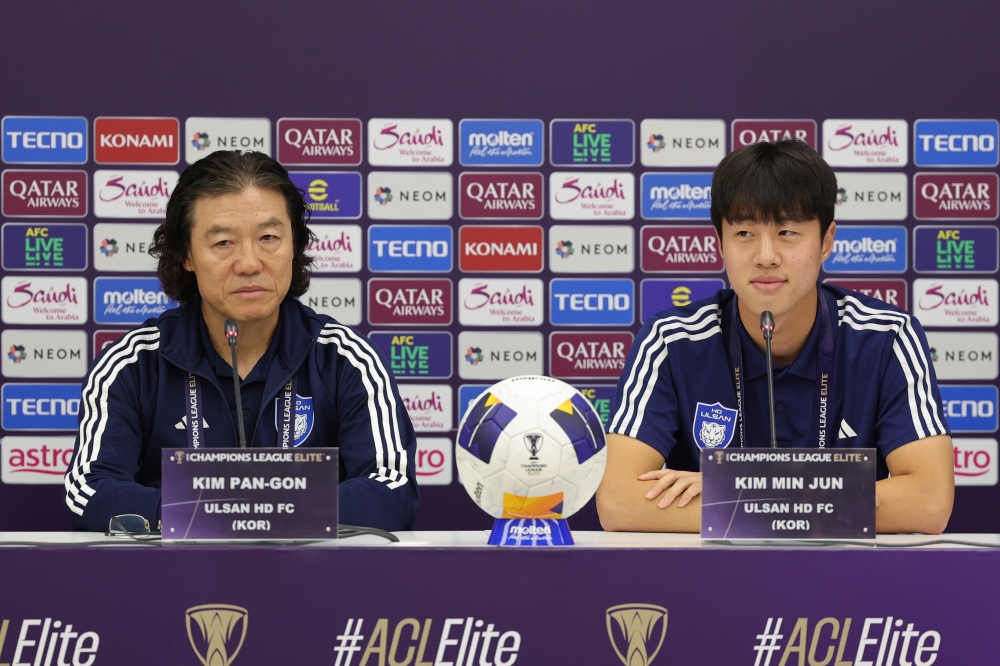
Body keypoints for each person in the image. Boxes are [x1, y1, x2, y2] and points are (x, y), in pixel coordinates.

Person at [596, 140, 953, 534]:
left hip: (847, 582)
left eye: (787, 231)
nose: (766, 255)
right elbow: (619, 502)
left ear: (827, 242)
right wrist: (826, 498)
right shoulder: (670, 340)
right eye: (745, 232)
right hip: (712, 585)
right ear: (720, 244)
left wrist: (732, 492)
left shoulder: (887, 337)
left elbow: (928, 501)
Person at [64, 151, 419, 532]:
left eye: (268, 237)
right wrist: (224, 513)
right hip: (172, 585)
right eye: (223, 243)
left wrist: (257, 511)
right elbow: (89, 491)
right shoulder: (133, 364)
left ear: (295, 246)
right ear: (186, 255)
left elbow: (391, 492)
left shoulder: (346, 359)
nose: (249, 262)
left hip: (312, 583)